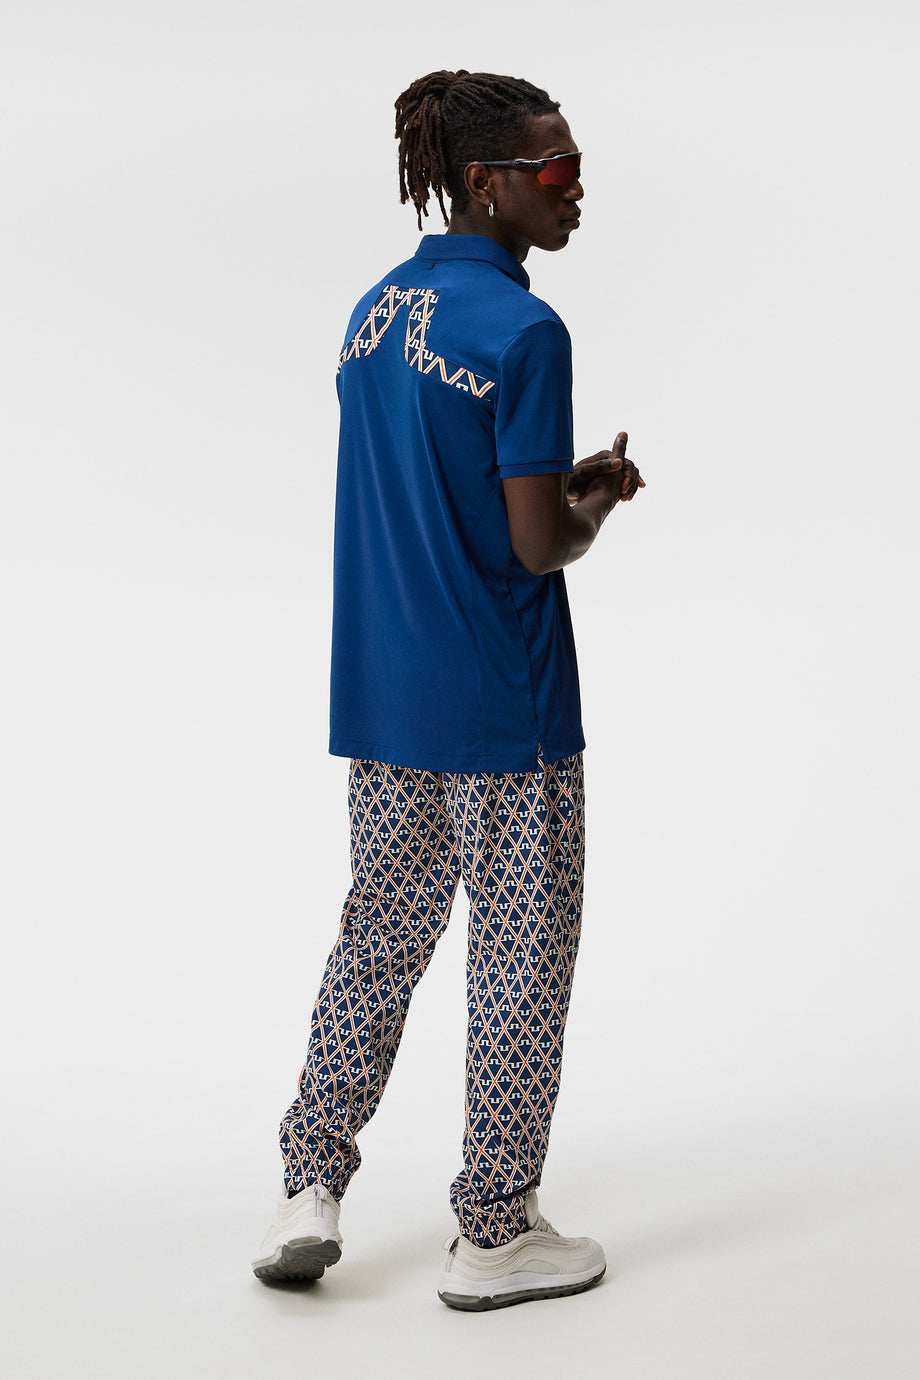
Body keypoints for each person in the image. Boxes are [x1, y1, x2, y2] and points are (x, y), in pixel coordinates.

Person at [251, 68, 645, 1311]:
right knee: (518, 963)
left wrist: (548, 489)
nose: (574, 187)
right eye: (554, 168)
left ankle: (308, 1184)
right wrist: (590, 505)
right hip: (502, 709)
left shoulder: (372, 315)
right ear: (485, 182)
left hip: (386, 699)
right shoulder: (525, 332)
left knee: (376, 940)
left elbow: (439, 495)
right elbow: (532, 546)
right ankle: (493, 1233)